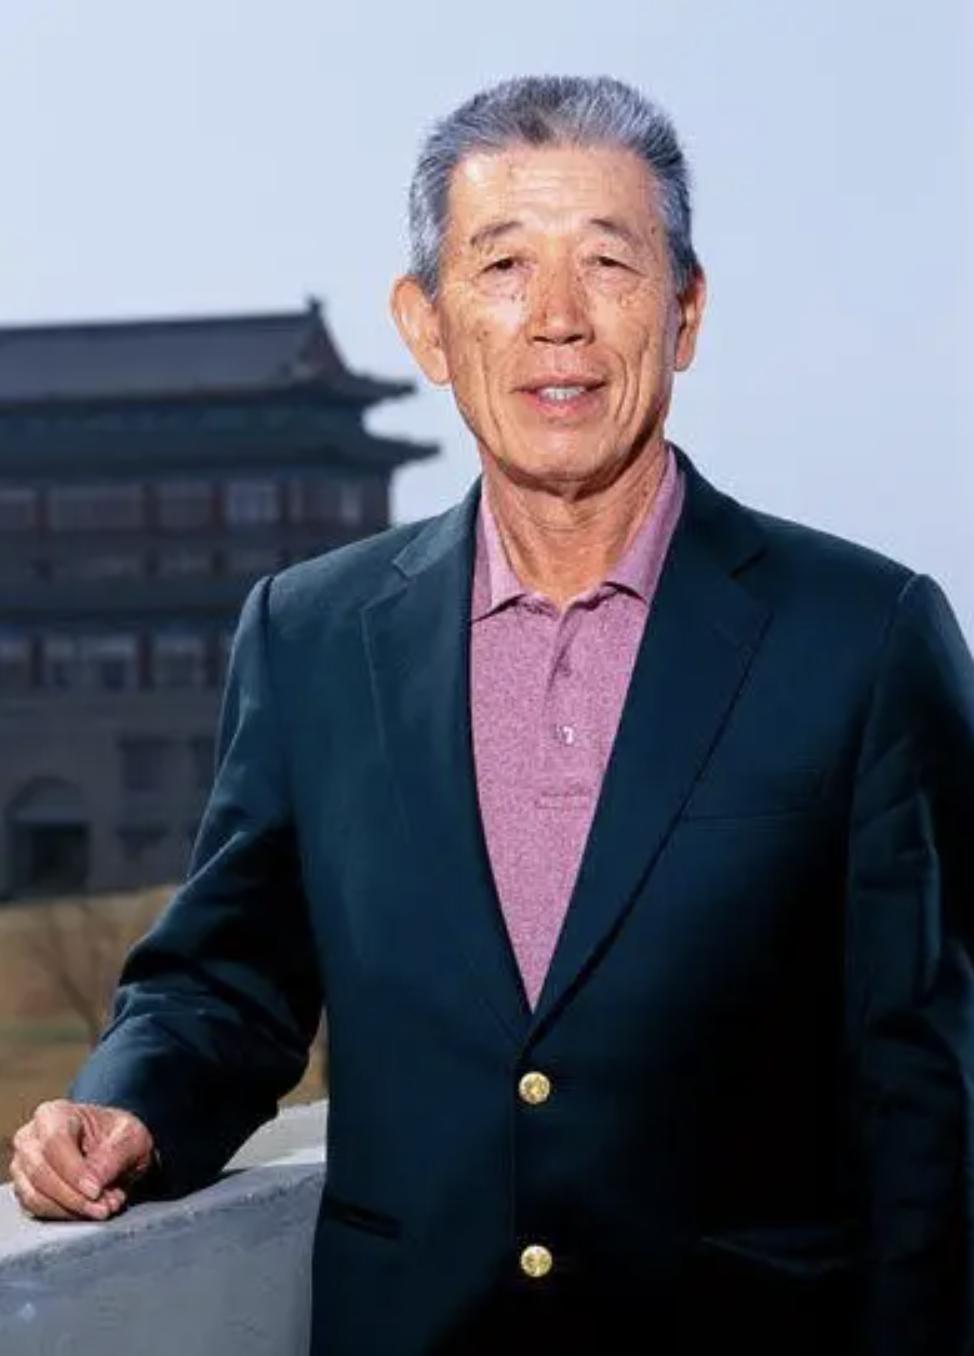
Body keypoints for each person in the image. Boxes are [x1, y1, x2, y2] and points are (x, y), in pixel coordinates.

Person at [10, 74, 974, 1356]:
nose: (557, 320)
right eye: (504, 266)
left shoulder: (861, 634)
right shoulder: (312, 635)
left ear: (684, 312)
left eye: (608, 265)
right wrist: (129, 1105)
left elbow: (928, 1098)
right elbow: (231, 976)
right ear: (426, 324)